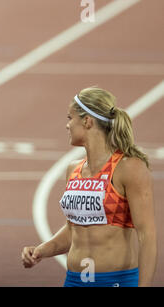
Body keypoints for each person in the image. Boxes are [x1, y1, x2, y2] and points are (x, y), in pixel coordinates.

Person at [22, 86, 157, 287]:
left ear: (87, 121)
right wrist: (42, 249)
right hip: (75, 281)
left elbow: (147, 235)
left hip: (115, 281)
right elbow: (74, 229)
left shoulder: (128, 167)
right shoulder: (73, 170)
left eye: (70, 118)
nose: (67, 125)